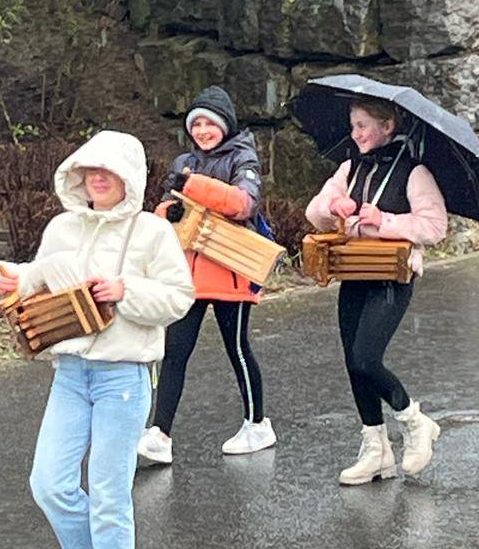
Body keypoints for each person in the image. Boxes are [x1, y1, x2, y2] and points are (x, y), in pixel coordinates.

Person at [0, 130, 194, 549]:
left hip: (124, 379)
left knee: (109, 498)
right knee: (50, 486)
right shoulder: (62, 227)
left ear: (129, 176)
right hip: (70, 375)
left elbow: (179, 297)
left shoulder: (151, 231)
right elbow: (39, 279)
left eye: (108, 171)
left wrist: (125, 291)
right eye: (91, 169)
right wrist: (5, 279)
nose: (97, 177)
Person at [305, 97, 447, 485]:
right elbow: (314, 213)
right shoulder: (350, 168)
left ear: (387, 127)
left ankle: (414, 421)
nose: (355, 134)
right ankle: (376, 450)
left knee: (366, 358)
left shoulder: (414, 172)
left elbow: (435, 226)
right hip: (354, 272)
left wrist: (383, 219)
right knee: (353, 363)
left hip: (392, 278)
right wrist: (333, 205)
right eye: (353, 126)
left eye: (363, 125)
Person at [137, 85, 276, 464]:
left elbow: (243, 204)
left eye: (209, 124)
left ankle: (257, 424)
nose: (202, 131)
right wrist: (168, 212)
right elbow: (164, 211)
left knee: (238, 349)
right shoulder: (185, 161)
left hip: (233, 269)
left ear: (225, 125)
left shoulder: (243, 157)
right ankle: (160, 433)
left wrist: (192, 185)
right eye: (195, 124)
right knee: (174, 352)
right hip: (188, 274)